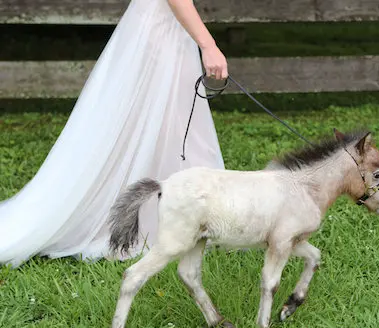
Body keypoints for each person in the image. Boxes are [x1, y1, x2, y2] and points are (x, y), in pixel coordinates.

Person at [0, 0, 228, 268]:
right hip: (162, 31)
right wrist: (208, 45)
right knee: (164, 126)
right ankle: (154, 218)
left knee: (175, 127)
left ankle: (187, 214)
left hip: (169, 30)